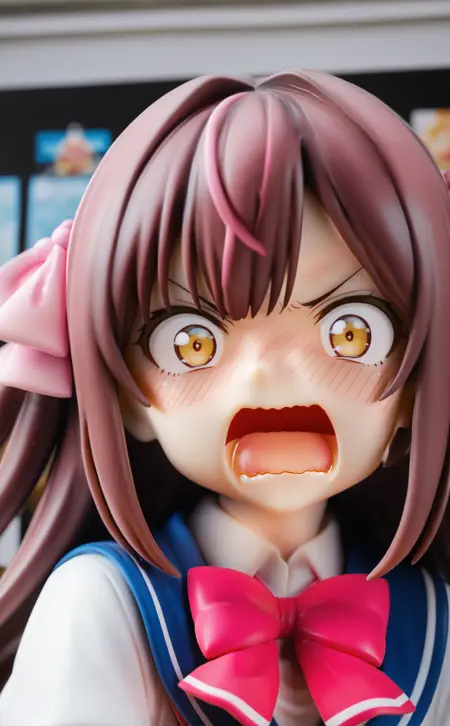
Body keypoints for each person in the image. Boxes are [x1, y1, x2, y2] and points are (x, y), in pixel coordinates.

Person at [0, 70, 449, 726]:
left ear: (415, 388)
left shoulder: (431, 621)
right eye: (193, 341)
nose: (272, 377)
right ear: (126, 396)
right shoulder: (102, 602)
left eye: (352, 332)